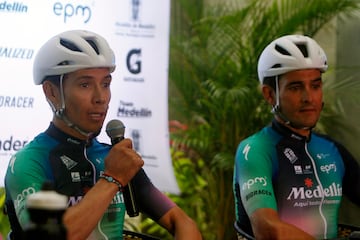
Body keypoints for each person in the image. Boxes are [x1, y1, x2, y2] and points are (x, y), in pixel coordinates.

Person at [4, 30, 202, 240]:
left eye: (105, 84)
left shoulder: (114, 158)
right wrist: (112, 179)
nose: (101, 98)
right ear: (51, 92)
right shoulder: (30, 162)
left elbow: (181, 221)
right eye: (85, 84)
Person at [232, 34, 360, 240]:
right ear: (269, 94)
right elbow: (268, 230)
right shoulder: (256, 150)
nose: (308, 97)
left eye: (316, 86)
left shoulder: (331, 149)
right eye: (295, 87)